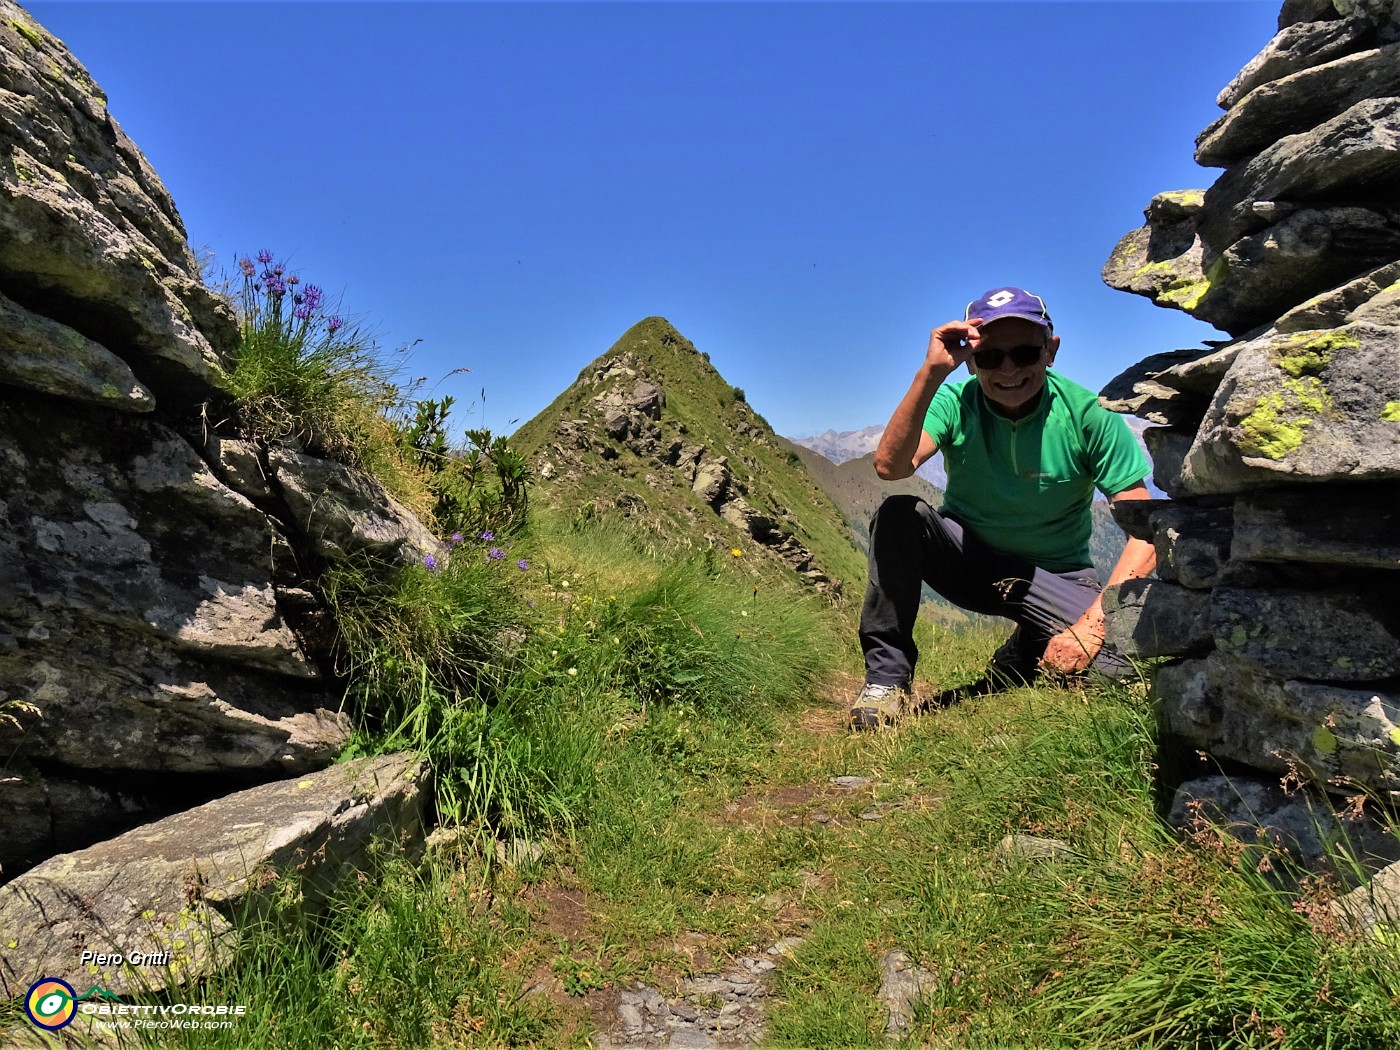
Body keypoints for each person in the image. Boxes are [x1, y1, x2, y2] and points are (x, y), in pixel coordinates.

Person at [849, 286, 1157, 730]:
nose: (1008, 369)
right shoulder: (954, 402)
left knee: (1113, 671)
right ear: (971, 360)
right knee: (900, 514)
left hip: (1056, 579)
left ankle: (1028, 647)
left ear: (1050, 351)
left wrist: (1092, 627)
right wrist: (930, 374)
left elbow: (1144, 530)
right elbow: (890, 467)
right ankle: (886, 680)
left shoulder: (1090, 414)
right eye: (991, 357)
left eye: (1025, 353)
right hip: (967, 561)